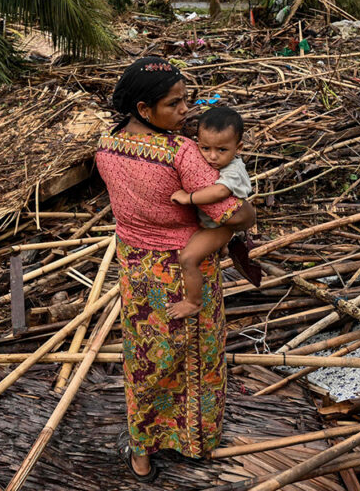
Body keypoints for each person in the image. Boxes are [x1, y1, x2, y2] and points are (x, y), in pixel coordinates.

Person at [94, 57, 256, 482]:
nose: (186, 111)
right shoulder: (181, 153)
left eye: (187, 100)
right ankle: (194, 440)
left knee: (145, 359)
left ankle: (142, 450)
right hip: (185, 269)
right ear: (145, 110)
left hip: (134, 269)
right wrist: (247, 213)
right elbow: (233, 214)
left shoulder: (105, 147)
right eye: (175, 103)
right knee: (196, 357)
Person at [168, 106, 254, 318]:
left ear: (238, 147)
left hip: (221, 227)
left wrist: (188, 198)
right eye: (205, 148)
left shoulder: (233, 170)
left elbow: (219, 192)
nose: (212, 156)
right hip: (213, 223)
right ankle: (223, 249)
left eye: (222, 150)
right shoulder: (207, 160)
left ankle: (193, 302)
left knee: (188, 258)